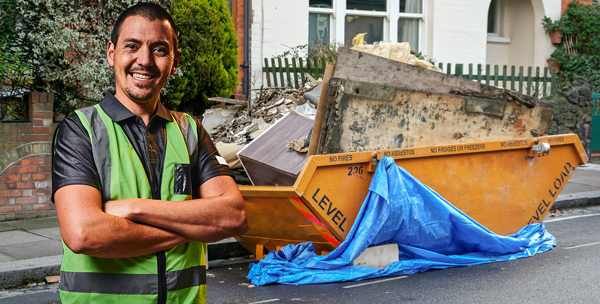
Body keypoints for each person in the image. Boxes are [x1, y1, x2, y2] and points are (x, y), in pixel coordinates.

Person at [51, 3, 248, 303]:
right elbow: (84, 233)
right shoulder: (80, 130)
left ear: (174, 59)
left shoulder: (190, 131)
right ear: (111, 53)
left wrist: (133, 208)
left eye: (159, 49)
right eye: (132, 46)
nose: (144, 60)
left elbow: (234, 216)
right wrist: (193, 229)